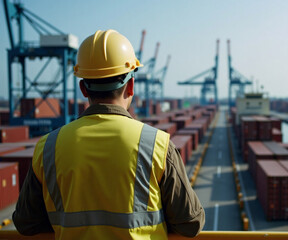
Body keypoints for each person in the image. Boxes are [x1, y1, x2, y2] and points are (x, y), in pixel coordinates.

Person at [13, 29, 205, 240]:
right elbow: (190, 223)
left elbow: (25, 223)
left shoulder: (47, 147)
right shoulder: (157, 144)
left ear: (83, 89)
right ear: (131, 86)